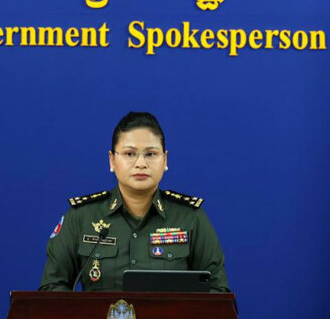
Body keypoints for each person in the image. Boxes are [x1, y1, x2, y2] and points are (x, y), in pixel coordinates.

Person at [40, 111, 230, 292]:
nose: (141, 164)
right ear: (112, 160)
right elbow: (52, 287)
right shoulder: (81, 217)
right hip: (99, 318)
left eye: (150, 154)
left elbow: (217, 290)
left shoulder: (190, 217)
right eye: (130, 154)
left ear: (165, 160)